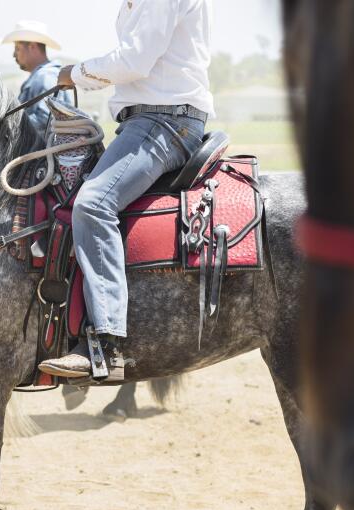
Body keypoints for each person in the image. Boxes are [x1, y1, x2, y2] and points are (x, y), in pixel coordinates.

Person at [38, 0, 214, 380]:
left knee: (93, 205)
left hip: (163, 122)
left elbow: (134, 61)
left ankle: (106, 341)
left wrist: (75, 73)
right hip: (147, 121)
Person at [0, 21, 73, 135]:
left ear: (32, 47)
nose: (14, 54)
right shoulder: (46, 75)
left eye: (17, 48)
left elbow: (44, 120)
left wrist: (6, 124)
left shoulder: (45, 76)